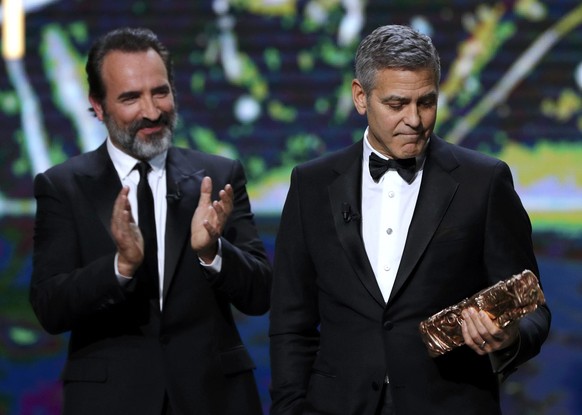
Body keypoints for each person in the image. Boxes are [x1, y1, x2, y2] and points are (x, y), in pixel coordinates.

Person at [269, 24, 551, 415]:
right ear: (360, 97)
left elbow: (534, 308)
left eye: (427, 102)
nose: (415, 120)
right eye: (397, 104)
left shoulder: (483, 182)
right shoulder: (311, 185)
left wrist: (509, 338)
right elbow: (290, 321)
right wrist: (290, 408)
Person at [29, 27, 271, 415]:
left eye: (160, 92)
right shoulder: (63, 187)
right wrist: (119, 267)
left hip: (213, 398)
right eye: (130, 97)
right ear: (98, 105)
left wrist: (213, 252)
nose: (152, 111)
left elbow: (260, 294)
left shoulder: (218, 176)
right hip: (111, 401)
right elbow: (50, 308)